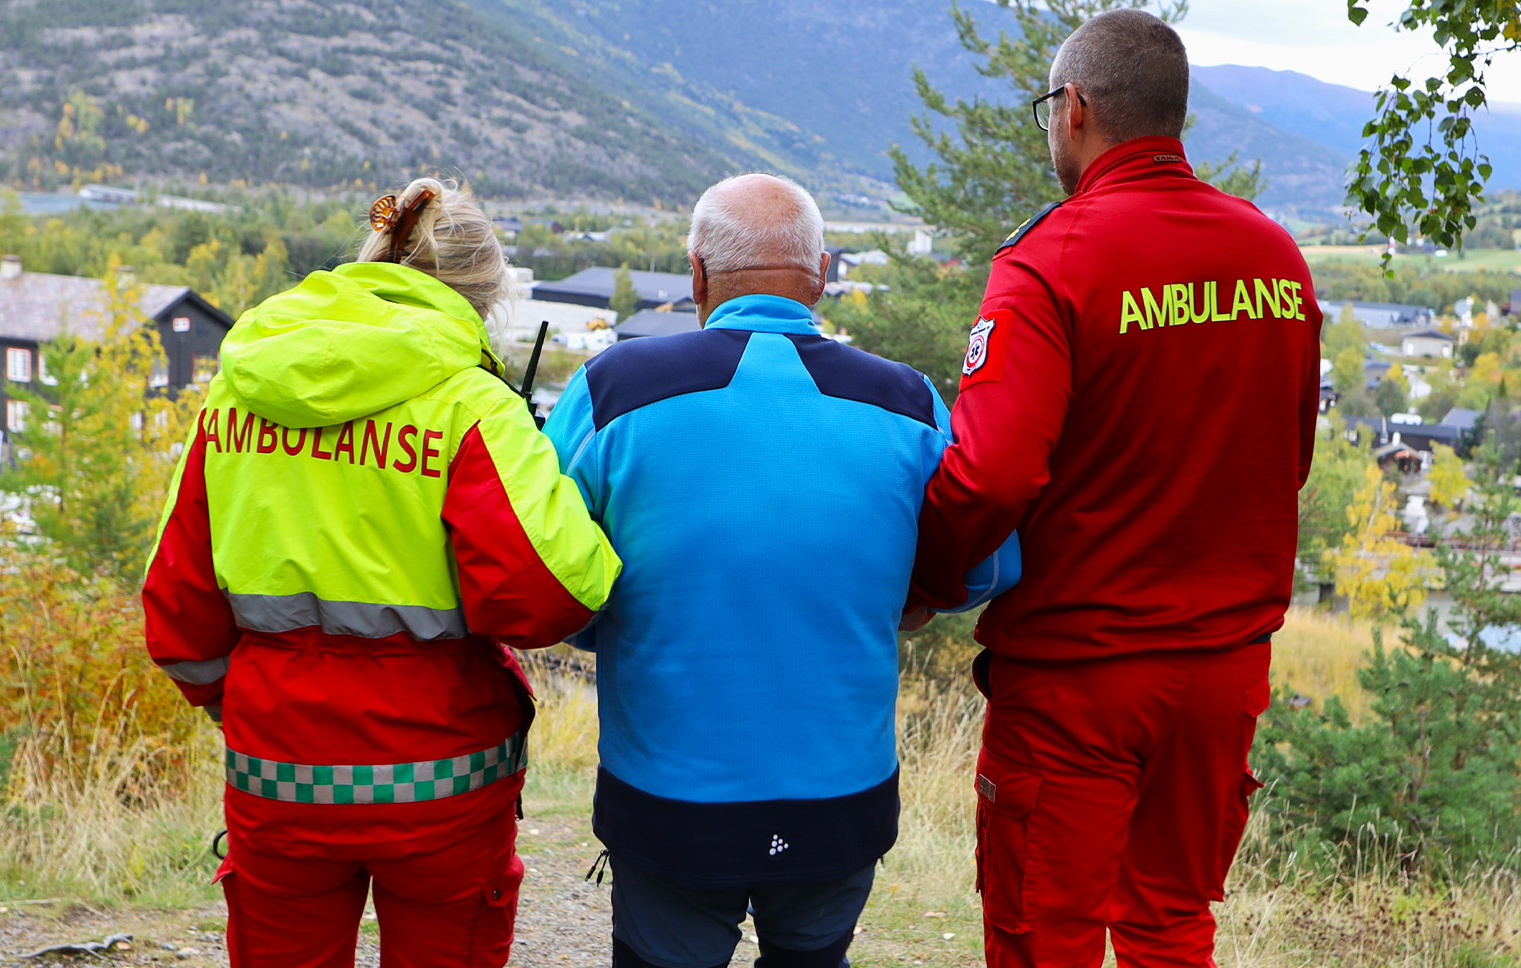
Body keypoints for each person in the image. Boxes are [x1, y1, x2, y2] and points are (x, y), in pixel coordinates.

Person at [903, 9, 1324, 967]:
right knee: (1172, 926)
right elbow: (1286, 458)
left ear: (1076, 110)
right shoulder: (1273, 255)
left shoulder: (1048, 262)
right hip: (1221, 674)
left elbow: (994, 470)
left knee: (1042, 934)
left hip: (1077, 676)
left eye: (1052, 108)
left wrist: (924, 585)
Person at [142, 177, 621, 968]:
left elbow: (175, 603)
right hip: (445, 777)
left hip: (277, 767)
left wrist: (243, 701)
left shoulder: (234, 396)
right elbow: (553, 593)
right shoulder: (474, 405)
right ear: (484, 295)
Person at [543, 173, 1015, 968]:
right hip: (841, 800)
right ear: (822, 274)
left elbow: (537, 571)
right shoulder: (907, 402)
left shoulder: (612, 392)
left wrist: (606, 625)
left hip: (669, 801)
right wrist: (903, 598)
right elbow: (986, 567)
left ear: (695, 274)